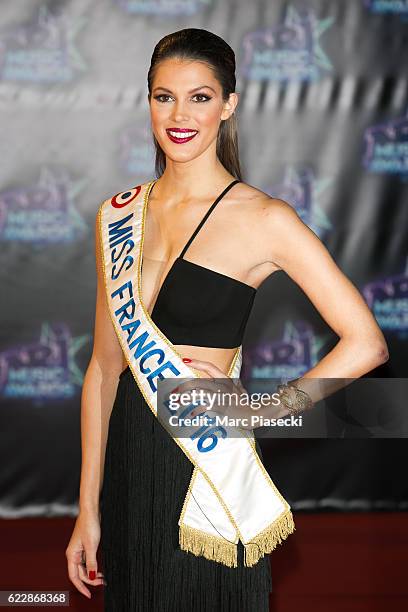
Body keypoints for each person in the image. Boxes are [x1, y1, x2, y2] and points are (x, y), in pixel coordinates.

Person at [65, 28, 389, 611]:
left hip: (204, 469)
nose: (180, 114)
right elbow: (104, 370)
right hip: (127, 472)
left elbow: (366, 343)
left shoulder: (264, 218)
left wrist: (265, 411)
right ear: (148, 103)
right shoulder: (117, 214)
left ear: (228, 105)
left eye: (200, 97)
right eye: (164, 97)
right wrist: (87, 507)